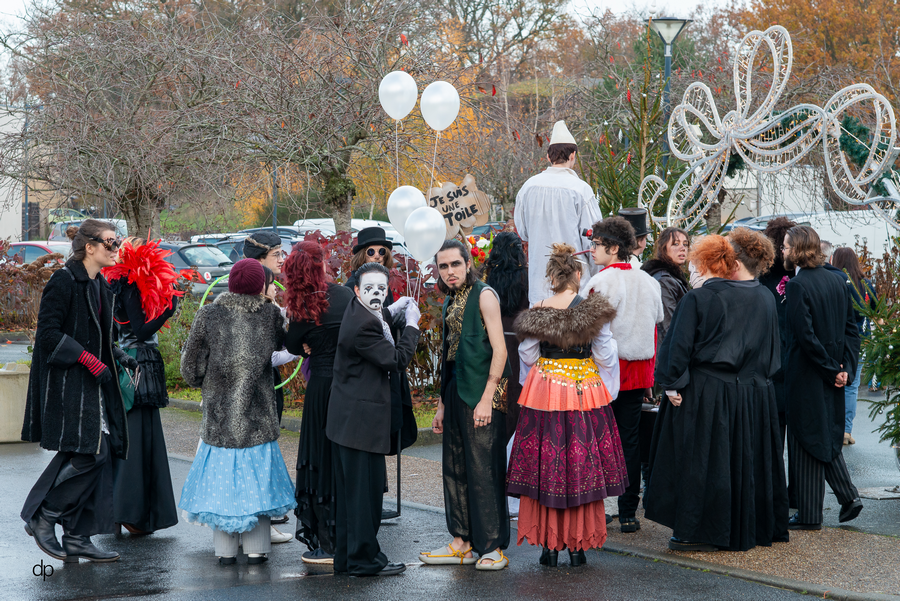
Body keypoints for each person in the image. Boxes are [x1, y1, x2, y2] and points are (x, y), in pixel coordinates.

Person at [645, 231, 789, 552]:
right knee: (743, 462)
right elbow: (773, 351)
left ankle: (698, 531)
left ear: (708, 263)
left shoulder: (699, 297)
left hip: (708, 392)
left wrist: (671, 383)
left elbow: (677, 347)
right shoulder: (765, 295)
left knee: (703, 462)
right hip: (754, 393)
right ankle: (748, 526)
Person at [21, 219, 136, 563]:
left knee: (93, 455)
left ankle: (77, 536)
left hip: (93, 385)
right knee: (92, 454)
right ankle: (45, 516)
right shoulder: (64, 280)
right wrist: (88, 359)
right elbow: (48, 335)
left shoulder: (98, 282)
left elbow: (97, 335)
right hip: (69, 386)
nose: (117, 248)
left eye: (117, 242)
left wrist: (117, 355)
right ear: (90, 247)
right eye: (110, 243)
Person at [507, 243, 627, 567]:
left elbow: (528, 356)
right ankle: (578, 545)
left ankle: (548, 545)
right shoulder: (592, 310)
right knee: (580, 463)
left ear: (551, 278)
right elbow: (604, 354)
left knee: (547, 463)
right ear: (577, 274)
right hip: (582, 389)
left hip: (544, 388)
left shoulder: (538, 309)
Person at [178, 258, 297, 565]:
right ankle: (257, 550)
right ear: (261, 284)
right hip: (258, 420)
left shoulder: (208, 314)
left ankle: (226, 551)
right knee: (258, 487)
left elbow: (190, 368)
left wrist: (208, 381)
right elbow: (288, 345)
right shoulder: (270, 315)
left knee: (223, 489)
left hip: (219, 423)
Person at [420, 239, 510, 570]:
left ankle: (492, 547)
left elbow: (500, 350)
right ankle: (462, 543)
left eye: (455, 264)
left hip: (483, 393)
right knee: (455, 468)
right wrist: (442, 405)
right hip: (457, 389)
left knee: (484, 470)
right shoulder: (450, 299)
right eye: (443, 266)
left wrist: (487, 398)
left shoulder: (484, 295)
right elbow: (448, 355)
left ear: (468, 263)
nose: (450, 271)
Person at [326, 262, 421, 576]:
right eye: (370, 288)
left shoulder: (361, 310)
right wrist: (412, 326)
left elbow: (379, 316)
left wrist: (395, 309)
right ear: (356, 290)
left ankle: (347, 558)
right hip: (359, 426)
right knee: (364, 500)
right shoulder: (363, 326)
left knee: (353, 498)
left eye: (382, 288)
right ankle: (364, 561)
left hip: (350, 423)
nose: (377, 294)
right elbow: (396, 359)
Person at [581, 217, 663, 534]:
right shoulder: (648, 282)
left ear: (613, 248)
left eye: (597, 244)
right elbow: (656, 322)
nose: (592, 249)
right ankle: (628, 511)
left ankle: (602, 509)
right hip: (639, 371)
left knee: (600, 440)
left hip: (607, 371)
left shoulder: (602, 283)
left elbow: (590, 330)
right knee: (629, 440)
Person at [782, 226, 863, 530]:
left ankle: (811, 514)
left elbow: (805, 337)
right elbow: (851, 331)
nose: (784, 252)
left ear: (799, 249)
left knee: (805, 437)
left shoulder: (798, 285)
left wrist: (834, 370)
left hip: (809, 375)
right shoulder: (838, 279)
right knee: (824, 435)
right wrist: (846, 370)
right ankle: (835, 502)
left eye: (786, 247)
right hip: (835, 374)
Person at [282, 242, 355, 565]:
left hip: (321, 388)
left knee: (320, 460)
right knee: (347, 459)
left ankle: (326, 541)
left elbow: (295, 345)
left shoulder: (300, 306)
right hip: (350, 385)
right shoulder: (344, 296)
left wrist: (312, 343)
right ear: (321, 264)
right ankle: (352, 535)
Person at [107, 237, 181, 536]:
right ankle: (130, 513)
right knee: (138, 439)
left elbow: (114, 330)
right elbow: (140, 330)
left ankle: (136, 514)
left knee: (142, 438)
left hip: (136, 363)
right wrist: (167, 311)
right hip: (137, 365)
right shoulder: (127, 287)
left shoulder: (117, 287)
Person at [514, 120, 603, 304]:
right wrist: (595, 277)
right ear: (573, 155)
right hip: (574, 288)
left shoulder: (528, 188)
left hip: (539, 286)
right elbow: (594, 240)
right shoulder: (581, 190)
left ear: (548, 157)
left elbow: (522, 232)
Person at [483, 232, 530, 442]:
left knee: (498, 386)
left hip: (494, 337)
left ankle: (498, 440)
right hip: (519, 339)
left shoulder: (490, 277)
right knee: (517, 390)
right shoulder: (525, 277)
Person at [830, 247, 877, 445]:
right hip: (862, 340)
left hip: (840, 339)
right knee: (852, 386)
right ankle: (846, 431)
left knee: (835, 384)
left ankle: (835, 427)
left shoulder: (836, 281)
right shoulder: (865, 285)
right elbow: (874, 308)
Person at [758, 217, 797, 445]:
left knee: (772, 440)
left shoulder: (761, 279)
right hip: (795, 361)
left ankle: (774, 481)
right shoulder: (798, 275)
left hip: (770, 363)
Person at [641, 227, 690, 343]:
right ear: (664, 249)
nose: (682, 248)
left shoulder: (673, 277)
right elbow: (668, 326)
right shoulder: (664, 281)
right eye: (675, 244)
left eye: (685, 244)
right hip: (668, 352)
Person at [345, 226, 396, 306]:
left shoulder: (383, 282)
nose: (377, 256)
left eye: (381, 251)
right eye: (371, 252)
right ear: (361, 256)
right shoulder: (352, 286)